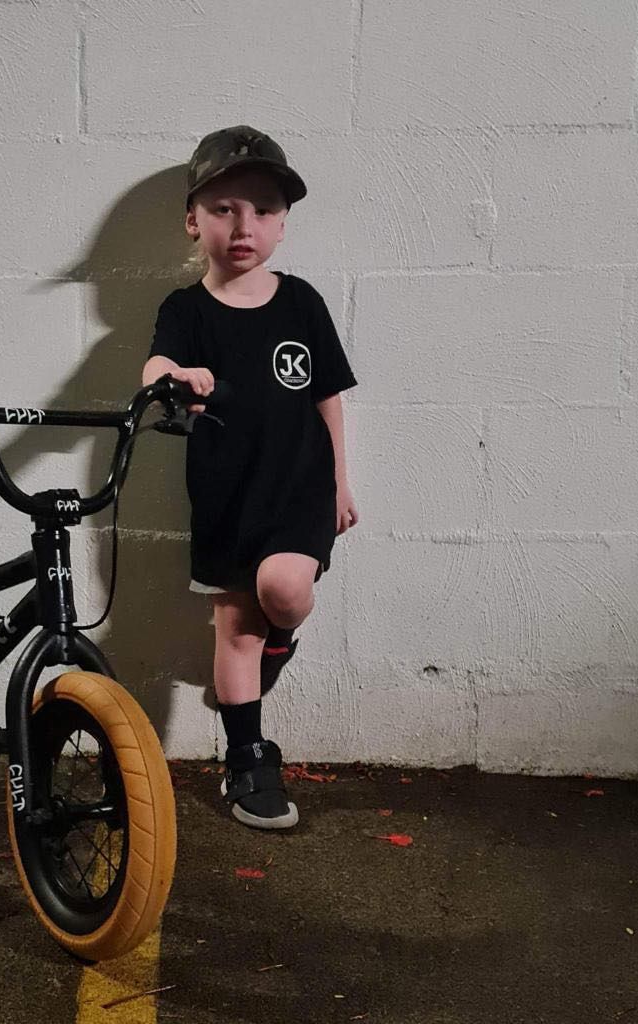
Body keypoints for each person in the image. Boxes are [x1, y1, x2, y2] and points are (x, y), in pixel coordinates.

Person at [141, 125, 359, 830]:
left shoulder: (302, 304)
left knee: (283, 592)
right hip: (226, 498)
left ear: (284, 224)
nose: (244, 226)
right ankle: (246, 759)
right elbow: (155, 369)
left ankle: (283, 638)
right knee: (233, 626)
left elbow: (328, 395)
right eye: (225, 209)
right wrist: (174, 377)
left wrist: (343, 483)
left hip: (298, 488)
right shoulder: (185, 311)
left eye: (263, 210)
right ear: (193, 219)